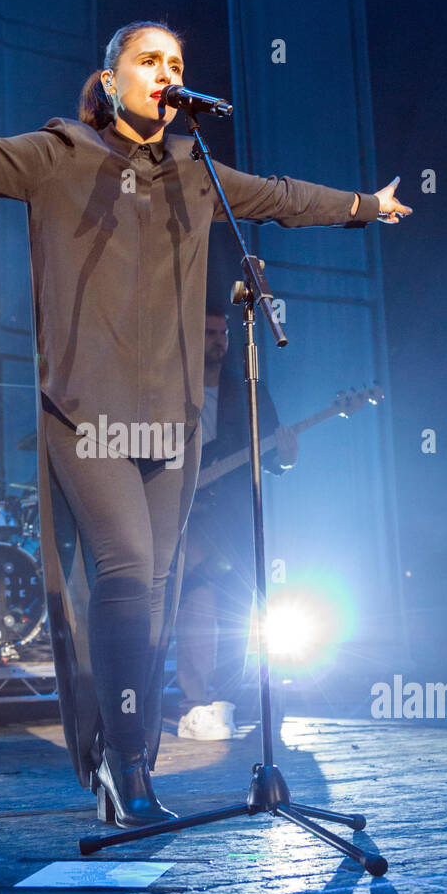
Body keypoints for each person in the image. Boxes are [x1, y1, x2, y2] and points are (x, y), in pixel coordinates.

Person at [0, 19, 411, 828]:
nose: (166, 72)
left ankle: (118, 757)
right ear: (110, 81)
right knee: (128, 571)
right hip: (87, 412)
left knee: (159, 595)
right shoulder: (59, 156)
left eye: (177, 62)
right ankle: (130, 770)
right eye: (149, 60)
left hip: (173, 416)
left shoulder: (193, 172)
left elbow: (277, 197)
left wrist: (362, 207)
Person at [173, 303, 295, 738]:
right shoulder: (170, 390)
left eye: (223, 333)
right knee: (198, 612)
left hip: (234, 519)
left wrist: (288, 456)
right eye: (208, 333)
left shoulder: (249, 391)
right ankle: (194, 705)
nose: (219, 341)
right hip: (189, 516)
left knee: (236, 611)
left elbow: (275, 455)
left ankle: (223, 701)